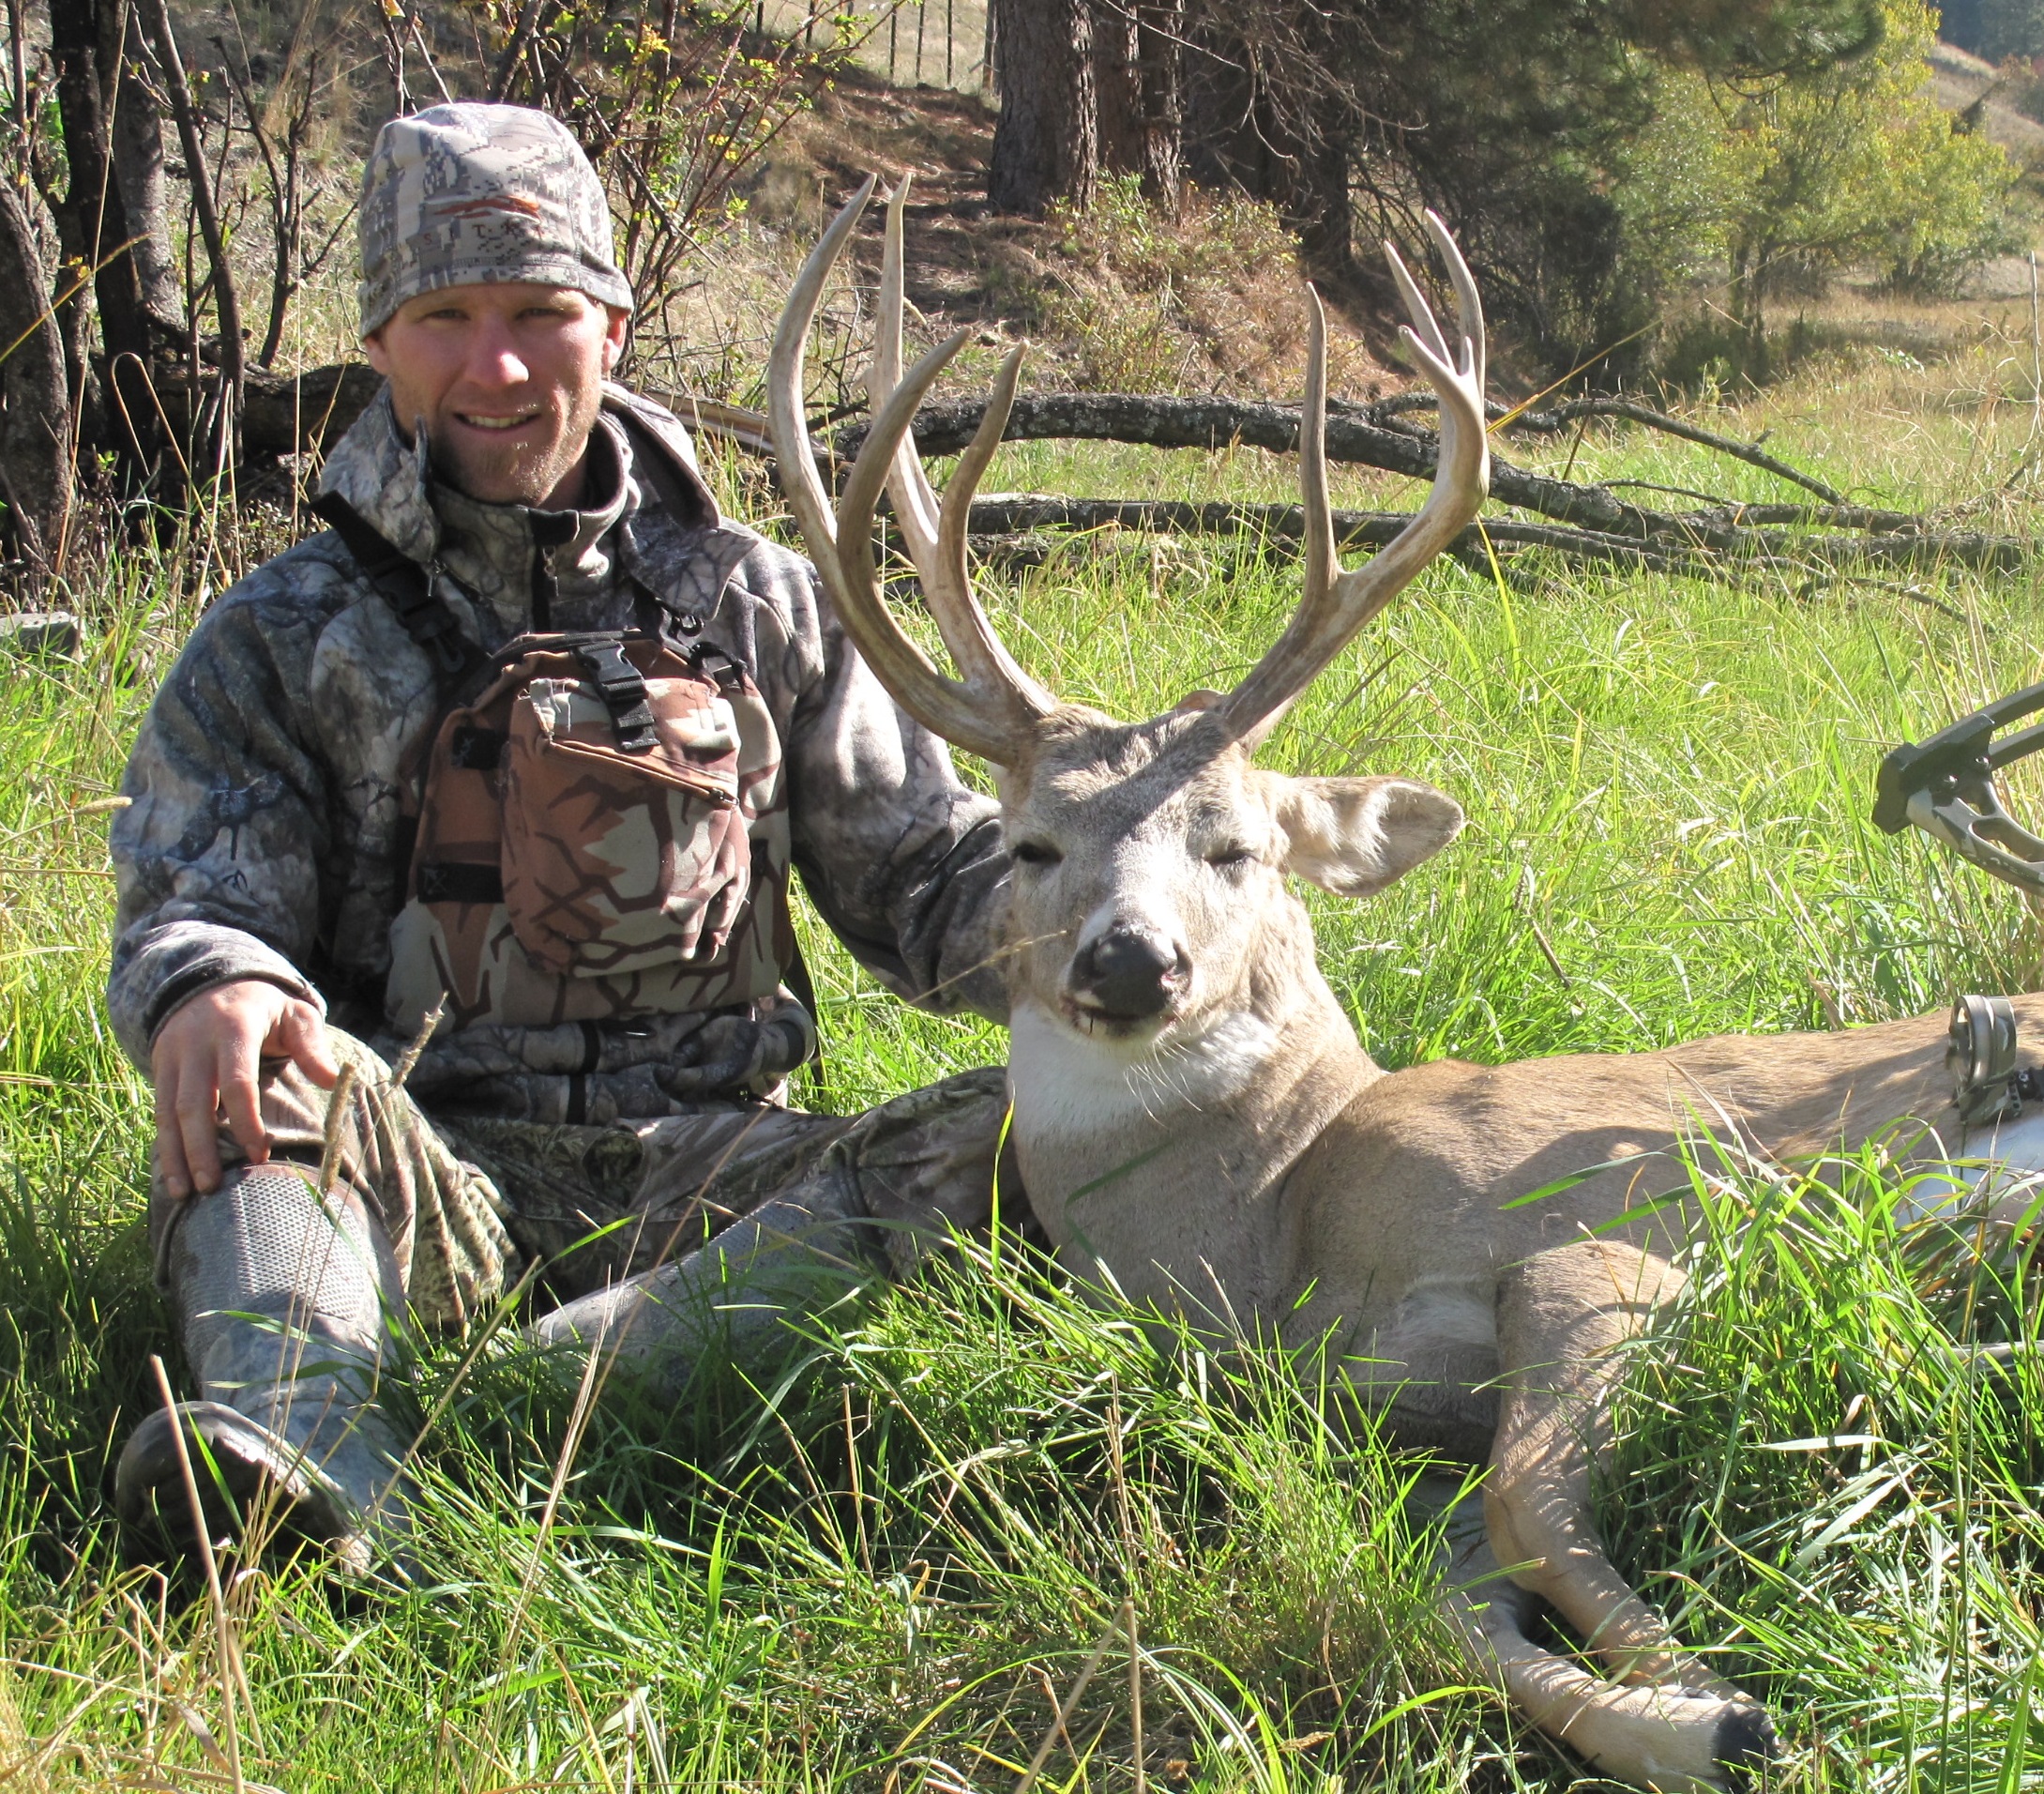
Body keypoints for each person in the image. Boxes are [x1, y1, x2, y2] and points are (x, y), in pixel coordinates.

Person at [108, 103, 1014, 1572]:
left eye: (541, 312)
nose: (499, 366)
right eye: (445, 317)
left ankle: (536, 1402)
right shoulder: (282, 636)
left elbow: (926, 884)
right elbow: (188, 903)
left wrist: (1126, 893)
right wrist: (217, 983)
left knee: (1021, 1139)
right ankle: (312, 1450)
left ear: (613, 318)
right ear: (382, 339)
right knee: (256, 1084)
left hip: (723, 1183)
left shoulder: (761, 604)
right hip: (417, 1187)